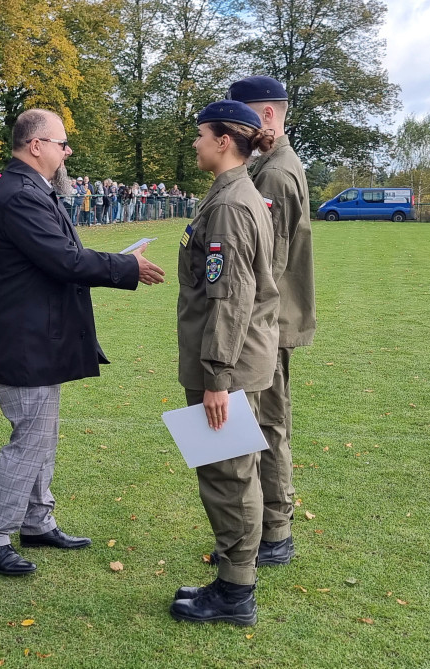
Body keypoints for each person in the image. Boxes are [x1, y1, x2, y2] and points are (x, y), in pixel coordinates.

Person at [0, 108, 165, 577]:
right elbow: (64, 260)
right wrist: (126, 268)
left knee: (42, 437)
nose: (67, 151)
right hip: (25, 340)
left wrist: (114, 262)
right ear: (35, 145)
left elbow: (65, 256)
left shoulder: (33, 189)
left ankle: (37, 520)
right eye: (62, 142)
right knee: (30, 440)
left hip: (39, 335)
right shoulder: (21, 194)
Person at [169, 100, 279, 626]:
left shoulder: (232, 206)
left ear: (223, 141)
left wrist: (216, 378)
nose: (194, 143)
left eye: (200, 135)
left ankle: (236, 594)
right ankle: (233, 579)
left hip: (226, 368)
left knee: (228, 477)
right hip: (233, 363)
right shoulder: (233, 195)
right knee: (230, 473)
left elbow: (230, 298)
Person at [223, 76, 316, 571]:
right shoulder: (271, 166)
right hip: (267, 323)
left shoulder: (275, 175)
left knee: (264, 424)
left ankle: (273, 532)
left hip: (265, 325)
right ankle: (268, 530)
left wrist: (235, 331)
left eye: (240, 116)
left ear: (266, 117)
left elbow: (267, 267)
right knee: (262, 423)